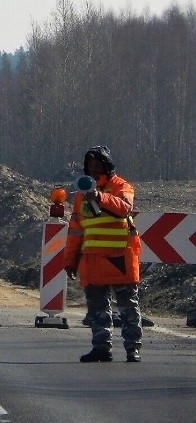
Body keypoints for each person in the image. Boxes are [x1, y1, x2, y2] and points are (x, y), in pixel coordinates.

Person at [63, 146, 142, 362]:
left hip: (120, 258)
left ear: (106, 164)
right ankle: (101, 347)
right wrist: (70, 260)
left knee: (128, 308)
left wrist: (100, 197)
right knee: (97, 309)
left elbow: (125, 208)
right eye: (90, 164)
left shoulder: (121, 186)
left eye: (97, 163)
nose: (93, 167)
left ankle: (132, 348)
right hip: (93, 259)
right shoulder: (80, 196)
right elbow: (76, 230)